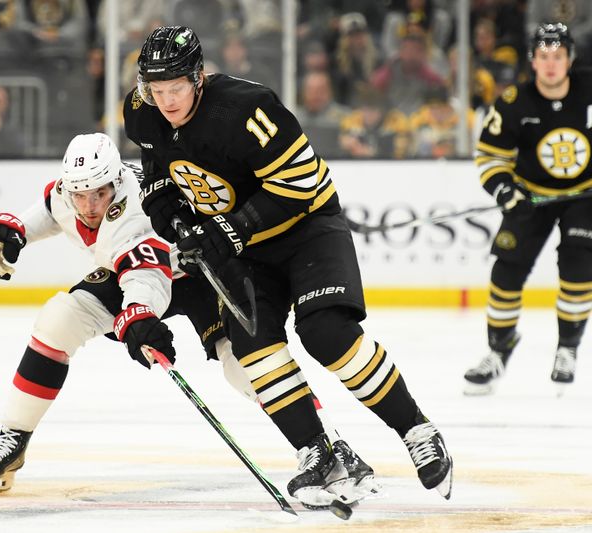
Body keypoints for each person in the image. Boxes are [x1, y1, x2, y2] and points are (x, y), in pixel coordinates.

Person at [123, 25, 453, 507]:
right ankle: (317, 453)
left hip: (307, 228)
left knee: (327, 334)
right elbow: (158, 178)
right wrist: (177, 221)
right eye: (156, 90)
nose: (166, 100)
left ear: (198, 77)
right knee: (252, 343)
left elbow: (299, 184)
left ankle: (416, 430)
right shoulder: (142, 113)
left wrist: (232, 228)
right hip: (247, 249)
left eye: (175, 88)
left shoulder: (246, 108)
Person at [0, 132, 377, 504]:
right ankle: (14, 437)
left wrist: (138, 315)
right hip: (136, 269)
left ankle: (329, 445)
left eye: (99, 194)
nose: (90, 206)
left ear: (116, 182)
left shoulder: (131, 214)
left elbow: (146, 275)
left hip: (201, 272)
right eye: (81, 195)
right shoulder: (69, 192)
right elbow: (50, 208)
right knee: (59, 318)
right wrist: (16, 228)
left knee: (243, 365)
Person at [464, 22, 592, 395]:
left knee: (578, 270)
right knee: (506, 271)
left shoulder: (589, 91)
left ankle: (567, 348)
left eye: (558, 56)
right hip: (531, 197)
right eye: (543, 57)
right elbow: (490, 156)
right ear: (533, 62)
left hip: (584, 197)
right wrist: (505, 191)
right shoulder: (513, 102)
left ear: (570, 59)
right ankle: (498, 350)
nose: (551, 64)